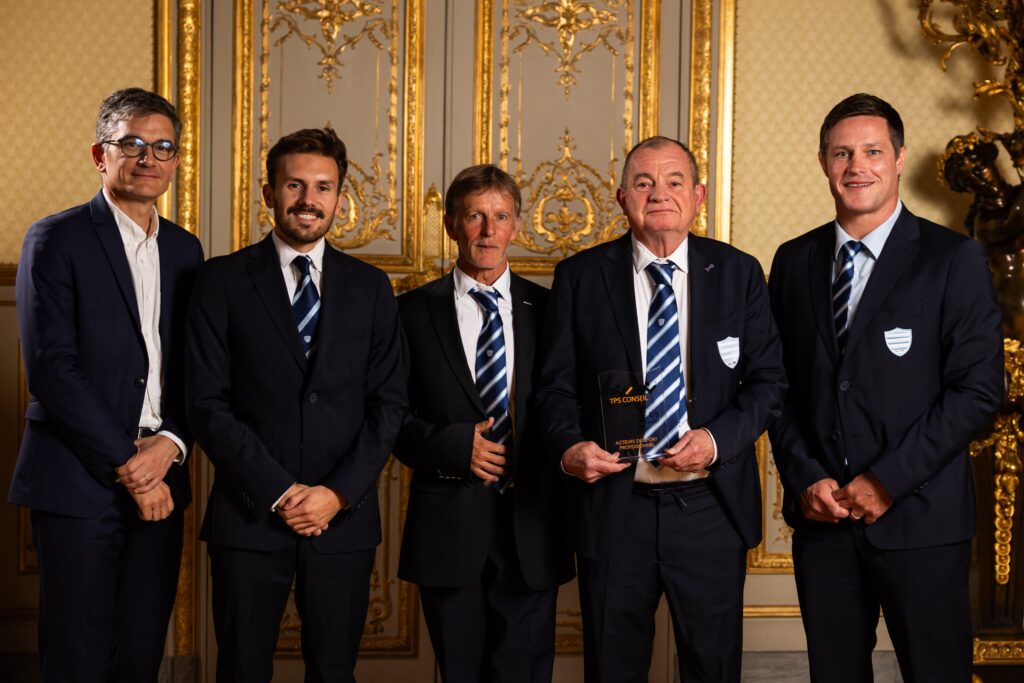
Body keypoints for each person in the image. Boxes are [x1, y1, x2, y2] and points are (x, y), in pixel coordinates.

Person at [768, 93, 1004, 683]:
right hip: (824, 524)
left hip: (923, 522)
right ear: (823, 163)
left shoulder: (953, 258)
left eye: (872, 152)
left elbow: (978, 391)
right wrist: (805, 478)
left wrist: (886, 482)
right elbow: (778, 387)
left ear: (898, 159)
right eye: (841, 153)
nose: (857, 166)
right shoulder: (793, 261)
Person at [535, 136, 786, 682]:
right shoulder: (580, 277)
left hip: (710, 508)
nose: (659, 194)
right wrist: (569, 447)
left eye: (674, 181)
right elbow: (552, 389)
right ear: (622, 197)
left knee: (712, 668)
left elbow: (769, 382)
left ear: (697, 196)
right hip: (615, 506)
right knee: (613, 669)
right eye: (644, 183)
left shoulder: (739, 273)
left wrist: (714, 440)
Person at [186, 127, 406, 682]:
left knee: (334, 671)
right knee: (241, 670)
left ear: (339, 198)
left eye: (323, 187)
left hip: (342, 520)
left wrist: (336, 494)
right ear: (269, 193)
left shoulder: (371, 288)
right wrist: (280, 492)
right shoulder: (219, 281)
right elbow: (206, 403)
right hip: (248, 515)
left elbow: (389, 405)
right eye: (295, 185)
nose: (309, 199)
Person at [10, 87, 203, 681]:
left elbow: (198, 369)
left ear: (176, 161)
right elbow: (52, 369)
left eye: (163, 147)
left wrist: (171, 443)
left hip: (164, 476)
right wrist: (129, 465)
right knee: (78, 659)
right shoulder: (56, 239)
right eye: (133, 144)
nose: (148, 158)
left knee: (139, 656)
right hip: (77, 479)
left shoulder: (185, 250)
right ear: (101, 154)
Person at [394, 164, 573, 682]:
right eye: (475, 216)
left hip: (533, 526)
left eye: (501, 217)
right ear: (452, 224)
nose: (488, 231)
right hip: (448, 527)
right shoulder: (408, 313)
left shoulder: (551, 309)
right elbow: (386, 416)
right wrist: (454, 446)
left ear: (516, 226)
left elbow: (570, 404)